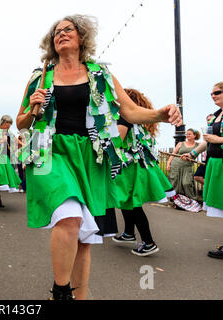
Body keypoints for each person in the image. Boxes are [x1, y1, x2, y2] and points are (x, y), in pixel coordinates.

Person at [16, 14, 182, 300]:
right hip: (49, 152)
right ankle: (60, 292)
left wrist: (160, 114)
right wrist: (32, 110)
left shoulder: (99, 74)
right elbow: (21, 123)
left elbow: (129, 112)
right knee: (68, 217)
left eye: (68, 29)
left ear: (82, 37)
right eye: (56, 32)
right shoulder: (39, 76)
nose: (61, 34)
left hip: (91, 156)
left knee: (84, 238)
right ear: (51, 42)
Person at [111, 89, 175, 256]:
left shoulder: (124, 117)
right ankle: (128, 233)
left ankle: (148, 242)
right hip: (136, 165)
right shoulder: (139, 120)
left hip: (130, 167)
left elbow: (117, 141)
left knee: (133, 204)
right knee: (127, 200)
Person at [182, 82, 223, 259]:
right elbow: (207, 141)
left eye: (217, 92)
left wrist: (219, 139)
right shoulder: (215, 116)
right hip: (215, 163)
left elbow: (215, 139)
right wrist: (192, 152)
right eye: (211, 94)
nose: (213, 96)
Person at [167, 128, 201, 201]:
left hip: (187, 167)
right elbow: (173, 154)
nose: (187, 135)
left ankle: (191, 200)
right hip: (175, 165)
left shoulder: (199, 145)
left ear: (194, 135)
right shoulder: (180, 144)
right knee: (175, 183)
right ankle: (175, 200)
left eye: (189, 134)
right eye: (186, 134)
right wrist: (168, 163)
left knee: (187, 183)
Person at [193, 114, 214, 187]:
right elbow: (205, 144)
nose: (209, 121)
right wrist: (192, 154)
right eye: (208, 120)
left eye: (211, 119)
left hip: (217, 157)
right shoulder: (208, 130)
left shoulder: (218, 128)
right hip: (208, 158)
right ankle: (211, 188)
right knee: (197, 176)